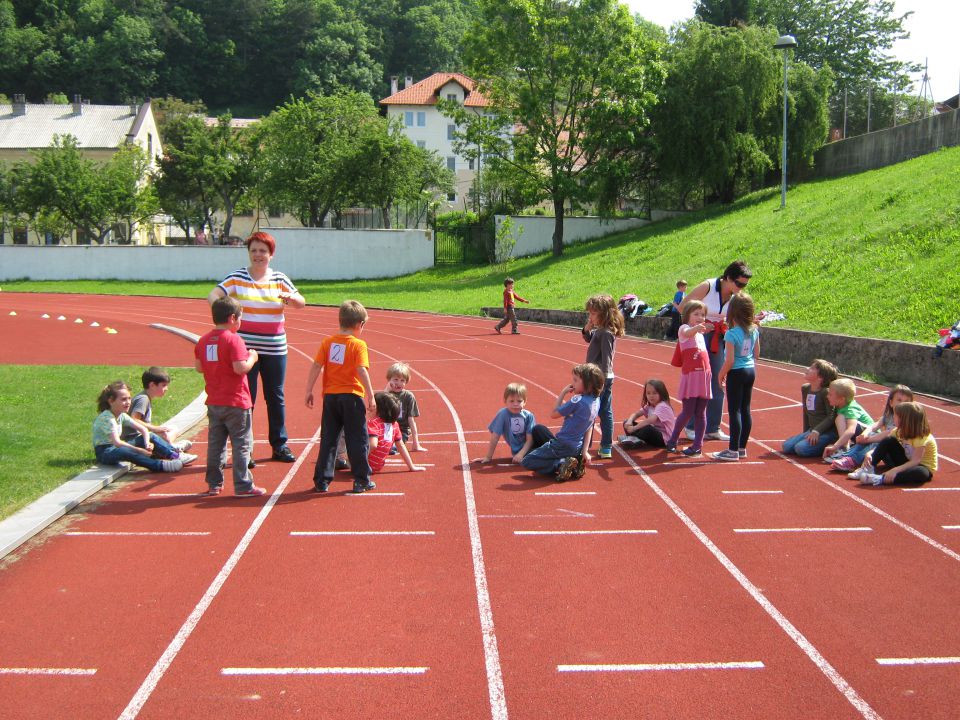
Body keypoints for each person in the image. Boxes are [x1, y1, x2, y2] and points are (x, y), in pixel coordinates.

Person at [208, 231, 305, 467]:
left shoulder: (280, 278)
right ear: (249, 253)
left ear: (271, 254)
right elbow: (214, 294)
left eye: (263, 251)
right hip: (244, 349)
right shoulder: (238, 277)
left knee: (276, 397)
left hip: (274, 347)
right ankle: (245, 449)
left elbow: (301, 302)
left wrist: (290, 298)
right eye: (254, 250)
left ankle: (279, 445)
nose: (258, 255)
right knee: (245, 399)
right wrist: (223, 315)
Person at [194, 296, 265, 497]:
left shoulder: (204, 340)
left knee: (216, 444)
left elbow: (199, 367)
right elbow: (239, 368)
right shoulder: (234, 339)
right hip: (236, 401)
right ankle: (243, 485)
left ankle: (214, 484)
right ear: (233, 318)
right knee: (241, 444)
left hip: (214, 400)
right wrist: (252, 357)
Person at [305, 300, 376, 493]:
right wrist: (371, 395)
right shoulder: (359, 345)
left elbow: (316, 366)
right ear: (359, 325)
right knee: (357, 438)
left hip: (331, 398)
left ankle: (322, 479)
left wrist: (308, 390)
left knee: (329, 439)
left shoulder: (327, 342)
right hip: (351, 397)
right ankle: (361, 479)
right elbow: (361, 370)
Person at [680, 260, 753, 441]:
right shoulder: (708, 286)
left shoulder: (736, 297)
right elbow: (684, 307)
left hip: (719, 337)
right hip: (698, 337)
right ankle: (690, 426)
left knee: (719, 379)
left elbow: (736, 317)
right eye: (739, 284)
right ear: (728, 278)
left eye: (745, 285)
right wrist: (700, 323)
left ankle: (713, 427)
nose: (741, 288)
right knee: (698, 379)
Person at [521, 363, 603, 481]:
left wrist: (563, 393)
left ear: (588, 385)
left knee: (527, 461)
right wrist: (585, 451)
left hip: (561, 444)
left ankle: (560, 464)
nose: (572, 384)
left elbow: (554, 414)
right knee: (540, 432)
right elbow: (589, 427)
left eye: (575, 380)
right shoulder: (596, 401)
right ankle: (574, 465)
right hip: (576, 447)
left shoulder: (577, 400)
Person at [92, 381, 186, 474]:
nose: (128, 402)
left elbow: (143, 429)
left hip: (116, 447)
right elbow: (117, 443)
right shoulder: (107, 418)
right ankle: (158, 465)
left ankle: (175, 455)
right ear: (111, 401)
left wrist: (147, 443)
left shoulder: (121, 415)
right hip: (105, 452)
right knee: (125, 451)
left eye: (129, 398)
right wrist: (139, 450)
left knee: (150, 436)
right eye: (123, 399)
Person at [713, 293, 760, 461]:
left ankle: (732, 450)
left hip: (736, 372)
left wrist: (720, 374)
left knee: (734, 411)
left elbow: (730, 360)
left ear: (732, 311)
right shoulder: (754, 330)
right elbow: (757, 354)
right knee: (746, 409)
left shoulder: (731, 334)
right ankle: (741, 448)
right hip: (750, 370)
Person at [664, 300, 712, 457]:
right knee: (688, 411)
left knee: (701, 413)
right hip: (691, 376)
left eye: (703, 315)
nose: (700, 317)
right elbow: (686, 333)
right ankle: (672, 440)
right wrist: (697, 328)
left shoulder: (700, 335)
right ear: (687, 316)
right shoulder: (684, 329)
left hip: (704, 376)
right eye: (696, 314)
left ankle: (698, 446)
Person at [119, 366, 196, 463]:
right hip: (133, 438)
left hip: (141, 435)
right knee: (163, 434)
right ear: (152, 385)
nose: (166, 389)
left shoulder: (145, 397)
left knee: (173, 428)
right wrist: (155, 428)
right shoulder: (143, 399)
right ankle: (174, 450)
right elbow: (134, 419)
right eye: (163, 385)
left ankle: (170, 446)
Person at [830, 385, 913, 472]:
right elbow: (874, 425)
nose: (902, 404)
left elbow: (888, 433)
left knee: (877, 440)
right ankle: (847, 457)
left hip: (898, 458)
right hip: (885, 453)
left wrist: (867, 439)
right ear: (891, 403)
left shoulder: (907, 420)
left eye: (906, 401)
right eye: (899, 400)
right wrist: (864, 434)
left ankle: (852, 461)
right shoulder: (889, 416)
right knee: (870, 434)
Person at [581, 293, 625, 459]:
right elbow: (589, 339)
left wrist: (601, 381)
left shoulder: (606, 333)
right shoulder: (600, 331)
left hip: (600, 378)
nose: (590, 316)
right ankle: (591, 443)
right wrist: (587, 328)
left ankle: (605, 445)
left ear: (604, 314)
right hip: (595, 376)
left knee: (601, 412)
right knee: (595, 411)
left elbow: (607, 359)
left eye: (593, 313)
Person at [854, 401, 936, 486]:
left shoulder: (922, 438)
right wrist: (870, 453)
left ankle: (881, 479)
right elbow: (883, 444)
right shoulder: (898, 431)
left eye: (896, 415)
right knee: (888, 440)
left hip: (920, 465)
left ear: (904, 420)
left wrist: (895, 470)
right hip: (906, 461)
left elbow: (915, 461)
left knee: (921, 473)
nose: (893, 417)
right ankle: (868, 468)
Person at [781, 359, 840, 457]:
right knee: (786, 446)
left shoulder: (825, 392)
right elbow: (806, 411)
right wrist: (805, 432)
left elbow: (831, 415)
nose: (807, 369)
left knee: (801, 449)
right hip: (812, 430)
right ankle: (813, 442)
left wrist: (817, 431)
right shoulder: (805, 388)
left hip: (827, 432)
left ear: (820, 377)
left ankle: (831, 444)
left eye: (812, 368)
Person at [474, 383, 536, 464]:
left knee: (540, 430)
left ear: (525, 402)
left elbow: (530, 440)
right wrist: (488, 457)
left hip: (534, 448)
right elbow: (495, 437)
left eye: (519, 401)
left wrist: (520, 454)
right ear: (505, 401)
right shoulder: (503, 414)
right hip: (522, 452)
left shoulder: (529, 415)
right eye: (511, 401)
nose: (515, 404)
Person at [367, 392, 425, 474]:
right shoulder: (395, 425)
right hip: (377, 467)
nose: (368, 409)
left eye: (371, 406)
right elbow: (401, 446)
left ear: (379, 410)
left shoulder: (373, 423)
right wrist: (412, 466)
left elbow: (373, 445)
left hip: (365, 465)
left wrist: (358, 458)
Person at [821, 378, 874, 462]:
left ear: (842, 399)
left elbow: (851, 430)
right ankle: (846, 446)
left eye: (830, 394)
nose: (827, 396)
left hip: (870, 436)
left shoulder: (850, 409)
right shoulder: (842, 405)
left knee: (840, 418)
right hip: (861, 435)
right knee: (840, 417)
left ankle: (844, 448)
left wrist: (836, 446)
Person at [618, 379, 675, 449]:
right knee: (626, 422)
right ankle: (635, 439)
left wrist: (634, 428)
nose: (651, 396)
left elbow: (650, 420)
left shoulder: (662, 406)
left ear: (661, 393)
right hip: (654, 434)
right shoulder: (650, 406)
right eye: (648, 393)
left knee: (647, 428)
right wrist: (629, 421)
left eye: (654, 393)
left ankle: (634, 438)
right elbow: (636, 414)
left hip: (664, 439)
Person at [385, 362, 425, 452]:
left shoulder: (408, 396)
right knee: (375, 444)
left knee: (393, 448)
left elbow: (411, 420)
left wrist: (416, 443)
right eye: (395, 379)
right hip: (387, 428)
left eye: (402, 380)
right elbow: (376, 409)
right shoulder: (386, 394)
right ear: (389, 380)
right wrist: (387, 389)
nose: (399, 383)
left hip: (401, 430)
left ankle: (392, 446)